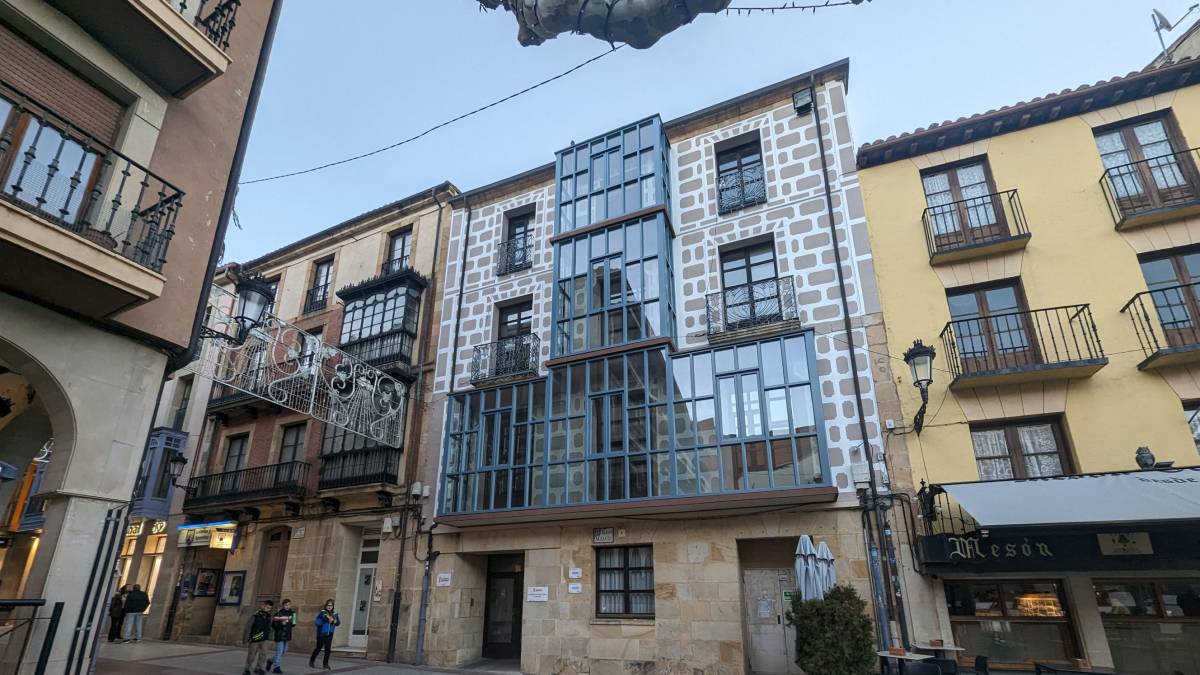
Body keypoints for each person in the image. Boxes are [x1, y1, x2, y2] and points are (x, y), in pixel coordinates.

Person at [243, 600, 274, 675]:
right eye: (267, 607)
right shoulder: (255, 616)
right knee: (252, 654)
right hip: (255, 638)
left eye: (270, 608)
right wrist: (245, 639)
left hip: (264, 638)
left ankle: (258, 667)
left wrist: (269, 633)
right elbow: (248, 627)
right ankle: (247, 668)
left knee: (263, 654)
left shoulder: (268, 617)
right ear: (263, 606)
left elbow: (269, 626)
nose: (268, 609)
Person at [309, 600, 339, 670]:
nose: (329, 607)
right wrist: (325, 619)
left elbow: (337, 623)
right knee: (318, 648)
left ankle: (325, 664)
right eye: (328, 605)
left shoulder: (335, 614)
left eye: (331, 606)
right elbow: (317, 623)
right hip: (322, 633)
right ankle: (312, 660)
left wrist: (336, 622)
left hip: (330, 633)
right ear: (326, 606)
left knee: (327, 649)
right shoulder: (322, 614)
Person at [269, 599, 296, 674]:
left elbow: (293, 624)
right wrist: (281, 623)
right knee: (279, 651)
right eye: (286, 605)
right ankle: (276, 667)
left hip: (287, 635)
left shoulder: (292, 614)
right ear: (283, 606)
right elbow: (274, 625)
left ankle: (270, 660)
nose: (287, 606)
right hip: (280, 635)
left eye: (289, 605)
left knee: (284, 652)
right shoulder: (279, 614)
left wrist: (293, 622)